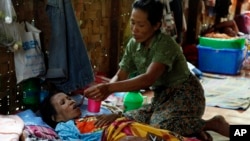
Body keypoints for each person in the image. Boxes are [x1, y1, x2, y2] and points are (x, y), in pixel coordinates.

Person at [84, 0, 230, 140]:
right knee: (129, 119)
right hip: (161, 98)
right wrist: (103, 92)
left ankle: (212, 124)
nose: (134, 29)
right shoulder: (133, 44)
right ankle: (193, 130)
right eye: (132, 22)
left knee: (159, 127)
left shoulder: (165, 44)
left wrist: (108, 88)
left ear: (156, 25)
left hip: (185, 95)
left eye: (140, 25)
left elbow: (149, 78)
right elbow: (120, 75)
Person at [39, 90, 197, 141]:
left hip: (126, 127)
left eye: (68, 98)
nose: (70, 101)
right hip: (115, 136)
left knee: (161, 133)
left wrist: (116, 118)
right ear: (56, 117)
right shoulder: (64, 126)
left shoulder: (85, 118)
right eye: (63, 103)